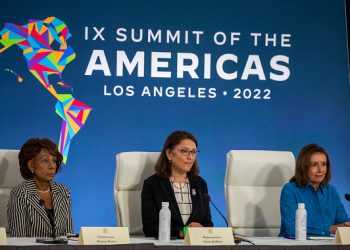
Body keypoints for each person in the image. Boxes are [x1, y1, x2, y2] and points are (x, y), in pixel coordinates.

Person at [141, 131, 213, 238]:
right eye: (184, 151)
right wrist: (182, 232)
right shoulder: (152, 185)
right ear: (169, 154)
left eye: (193, 152)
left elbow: (207, 223)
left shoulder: (200, 183)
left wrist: (202, 230)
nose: (190, 157)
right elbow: (150, 228)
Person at [279, 143, 350, 237]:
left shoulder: (331, 191)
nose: (320, 170)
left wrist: (347, 226)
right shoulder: (290, 190)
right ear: (304, 167)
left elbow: (343, 224)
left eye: (324, 164)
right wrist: (330, 229)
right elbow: (292, 229)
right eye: (314, 165)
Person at [7, 138, 73, 237]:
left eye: (54, 161)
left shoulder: (63, 191)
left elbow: (69, 235)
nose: (52, 166)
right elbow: (18, 238)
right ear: (31, 165)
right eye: (45, 160)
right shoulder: (20, 193)